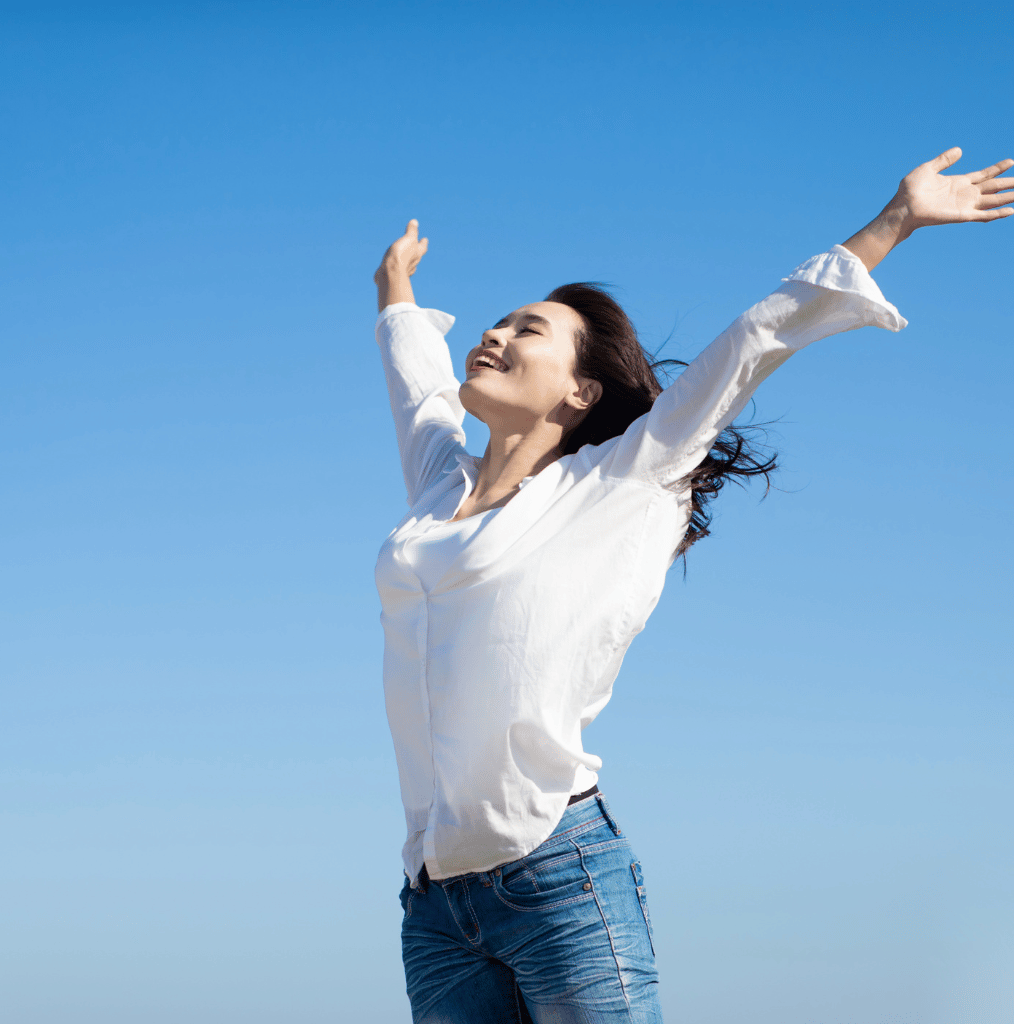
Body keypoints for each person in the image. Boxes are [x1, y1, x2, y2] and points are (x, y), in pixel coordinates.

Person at [371, 148, 1012, 1024]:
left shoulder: (619, 481)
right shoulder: (439, 494)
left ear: (581, 389)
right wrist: (396, 291)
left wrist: (893, 222)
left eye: (528, 330)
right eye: (498, 321)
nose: (495, 334)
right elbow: (418, 394)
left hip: (556, 876)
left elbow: (753, 343)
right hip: (434, 904)